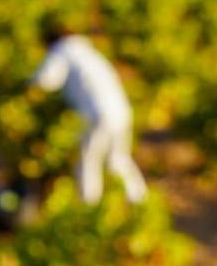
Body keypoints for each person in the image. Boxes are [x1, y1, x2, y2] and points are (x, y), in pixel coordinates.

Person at [30, 34, 147, 205]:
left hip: (97, 114)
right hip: (121, 111)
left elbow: (46, 81)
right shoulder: (89, 53)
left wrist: (27, 85)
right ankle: (138, 200)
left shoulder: (63, 50)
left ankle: (89, 206)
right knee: (118, 158)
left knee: (88, 160)